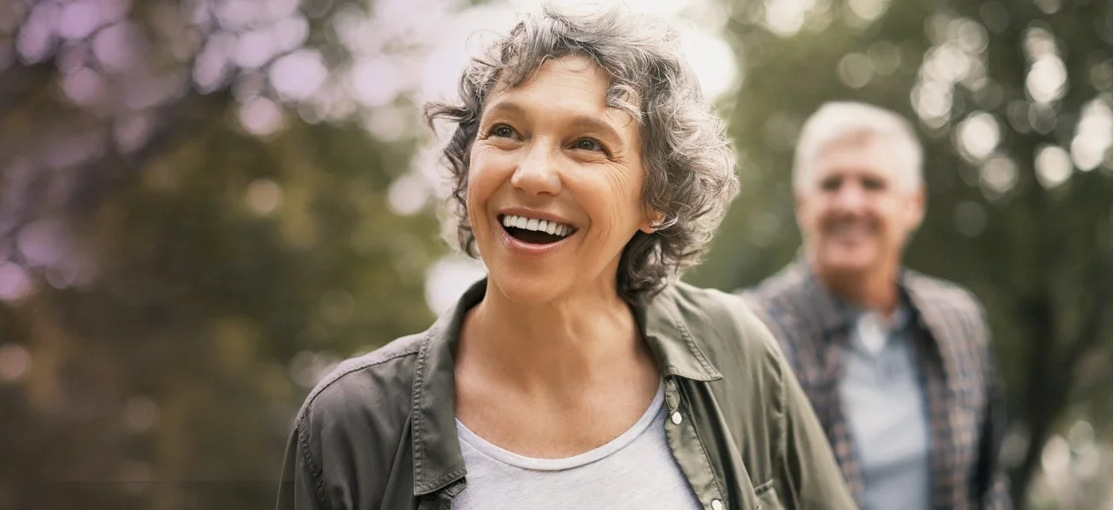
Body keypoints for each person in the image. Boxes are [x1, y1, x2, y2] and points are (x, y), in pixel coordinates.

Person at [277, 4, 855, 509]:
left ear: (657, 199)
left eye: (586, 144)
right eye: (506, 131)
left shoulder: (735, 350)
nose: (531, 174)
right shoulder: (348, 427)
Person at [740, 101, 1011, 510]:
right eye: (831, 184)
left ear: (912, 205)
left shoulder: (958, 321)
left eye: (872, 184)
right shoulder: (749, 331)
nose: (850, 203)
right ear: (802, 204)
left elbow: (988, 485)